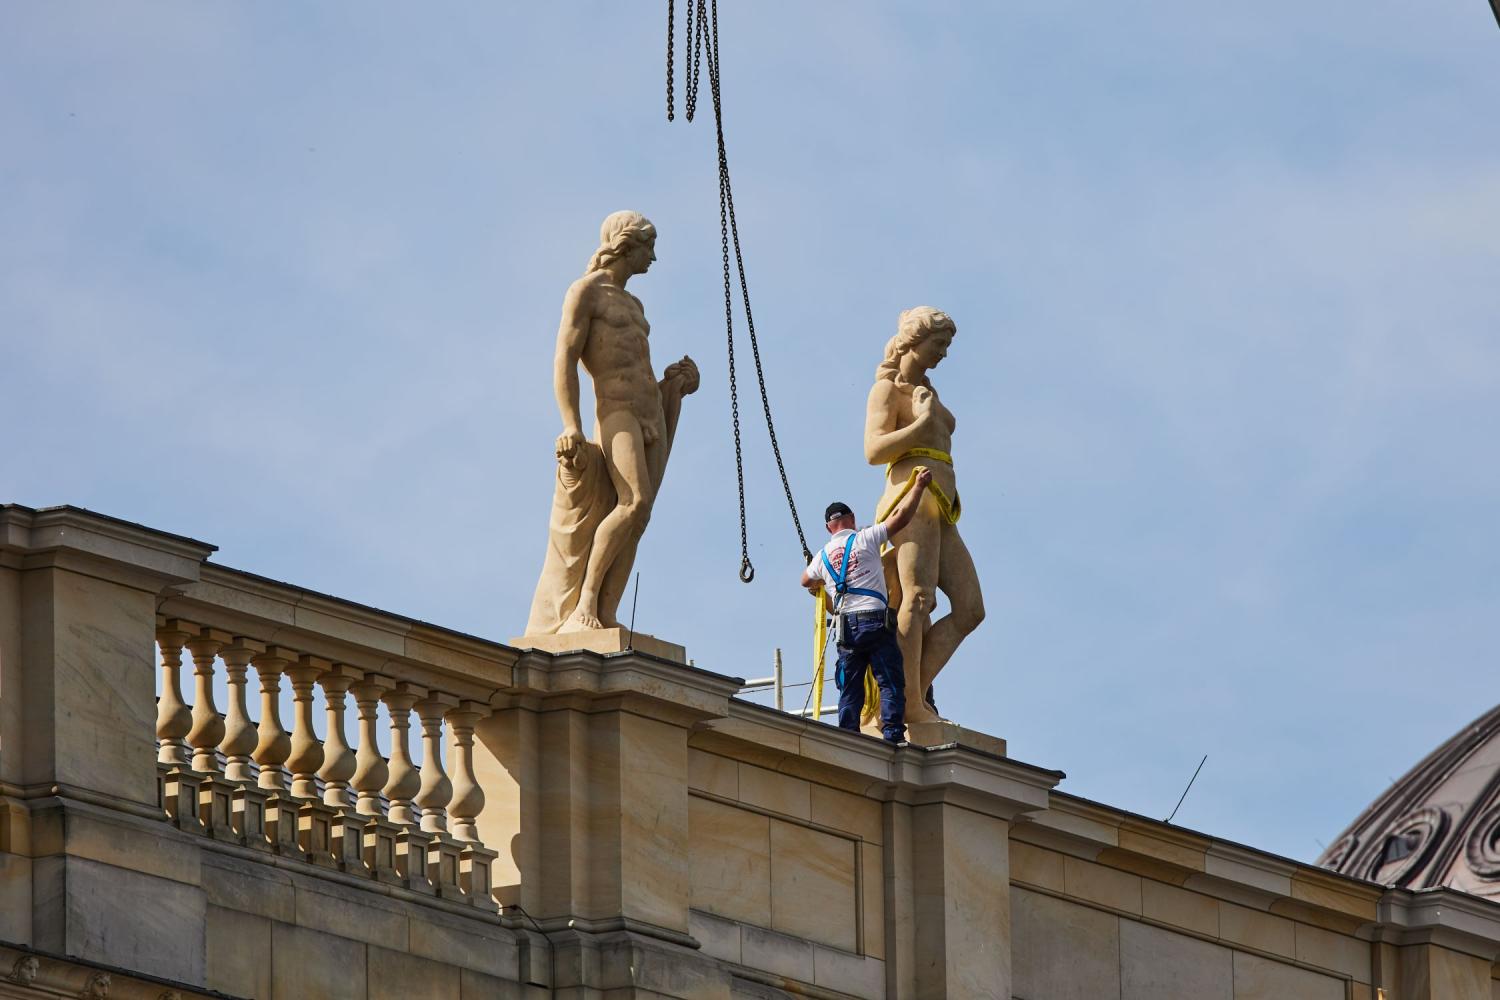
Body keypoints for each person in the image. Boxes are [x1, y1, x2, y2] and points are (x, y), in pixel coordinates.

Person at [533, 211, 700, 633]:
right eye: (649, 247)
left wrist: (675, 384)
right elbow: (564, 360)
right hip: (617, 410)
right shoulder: (586, 292)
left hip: (650, 412)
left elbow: (638, 365)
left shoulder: (634, 304)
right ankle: (584, 602)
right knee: (633, 502)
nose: (654, 258)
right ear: (627, 244)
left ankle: (606, 614)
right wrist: (571, 424)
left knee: (639, 519)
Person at [864, 306, 984, 725]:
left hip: (943, 507)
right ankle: (907, 704)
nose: (944, 353)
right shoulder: (888, 392)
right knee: (915, 599)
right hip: (910, 499)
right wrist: (923, 424)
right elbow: (874, 450)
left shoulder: (927, 391)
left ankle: (908, 693)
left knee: (970, 608)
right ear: (916, 341)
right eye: (940, 344)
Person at [799, 468, 932, 744]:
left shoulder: (822, 557)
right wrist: (918, 487)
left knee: (850, 685)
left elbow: (805, 580)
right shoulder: (865, 538)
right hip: (874, 620)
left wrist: (823, 582)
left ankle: (848, 735)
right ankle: (893, 734)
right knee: (889, 679)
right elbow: (900, 518)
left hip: (847, 627)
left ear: (828, 528)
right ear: (852, 520)